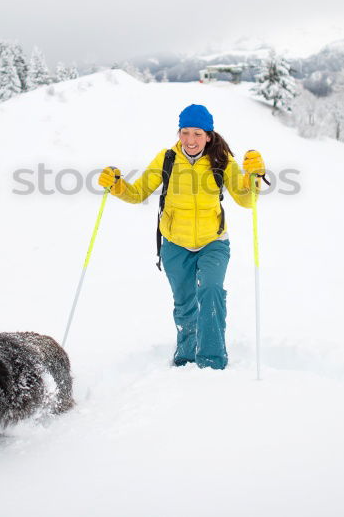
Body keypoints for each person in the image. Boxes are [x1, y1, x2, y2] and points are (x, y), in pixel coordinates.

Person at [97, 104, 265, 370]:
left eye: (197, 133)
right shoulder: (167, 159)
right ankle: (186, 356)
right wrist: (115, 185)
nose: (190, 140)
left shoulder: (223, 161)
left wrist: (253, 178)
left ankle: (212, 359)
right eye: (185, 132)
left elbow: (246, 201)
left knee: (210, 290)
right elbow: (137, 193)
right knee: (185, 302)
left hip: (213, 242)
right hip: (175, 244)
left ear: (209, 135)